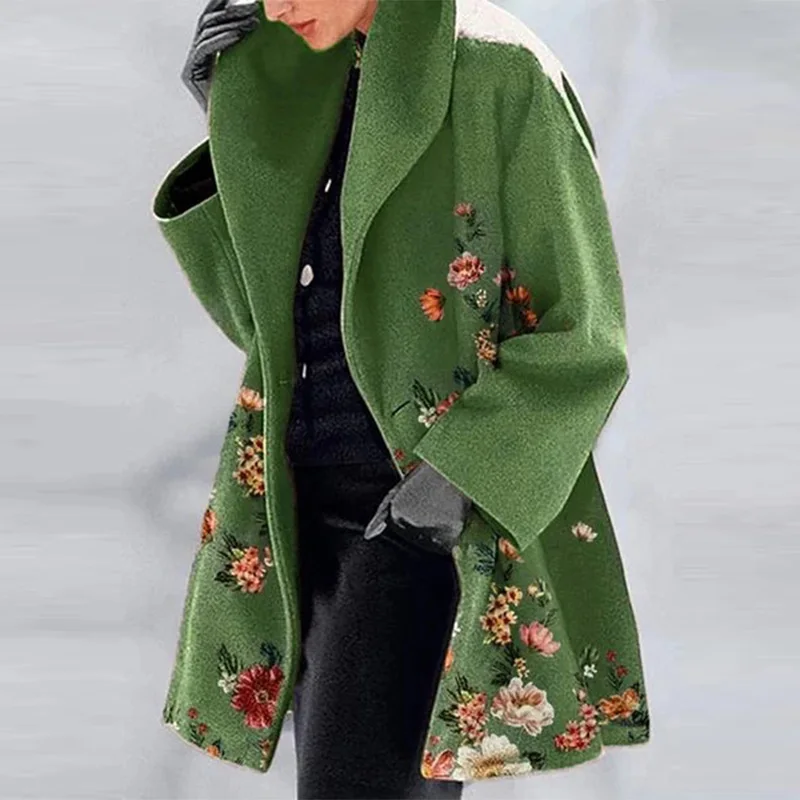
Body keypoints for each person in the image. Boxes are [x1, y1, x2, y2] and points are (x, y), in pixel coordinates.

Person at [152, 0, 651, 797]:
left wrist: (444, 491)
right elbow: (263, 327)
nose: (274, 7)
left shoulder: (498, 71)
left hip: (413, 517)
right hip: (291, 510)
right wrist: (231, 128)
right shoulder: (307, 80)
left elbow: (583, 339)